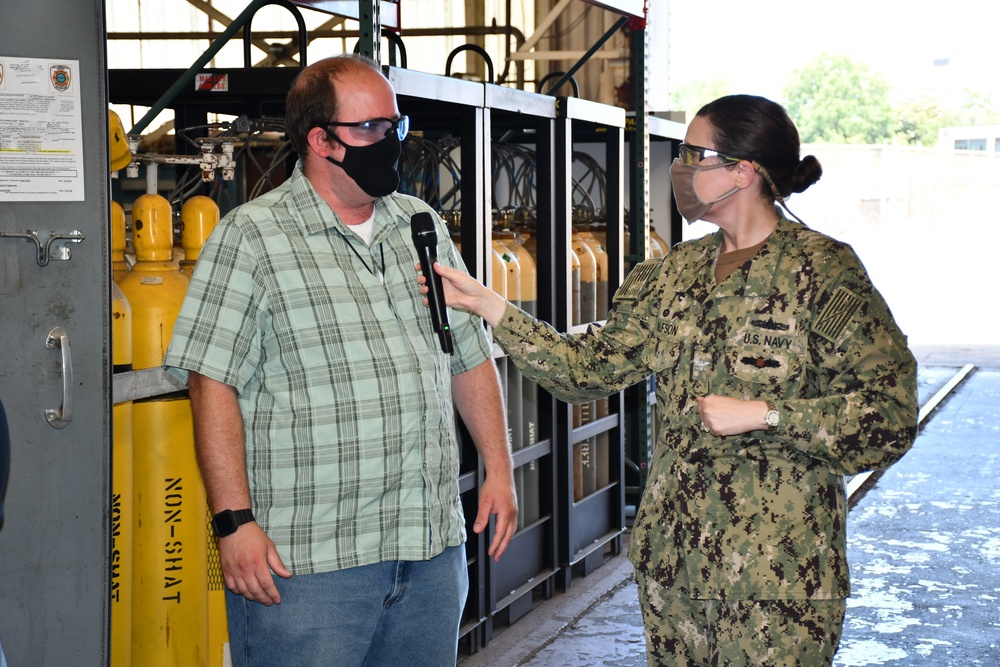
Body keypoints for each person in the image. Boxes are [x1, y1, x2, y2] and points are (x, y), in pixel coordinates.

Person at [421, 94, 918, 666]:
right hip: (673, 572)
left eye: (693, 153)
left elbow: (890, 417)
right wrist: (492, 306)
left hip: (777, 582)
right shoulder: (674, 272)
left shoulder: (823, 272)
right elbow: (589, 369)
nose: (679, 167)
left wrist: (768, 415)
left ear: (742, 171)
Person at [164, 54, 517, 667]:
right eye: (369, 129)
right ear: (319, 140)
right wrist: (233, 523)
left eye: (395, 126)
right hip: (308, 565)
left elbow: (469, 356)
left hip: (428, 551)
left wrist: (500, 467)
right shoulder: (253, 238)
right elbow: (211, 381)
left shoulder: (420, 225)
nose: (389, 143)